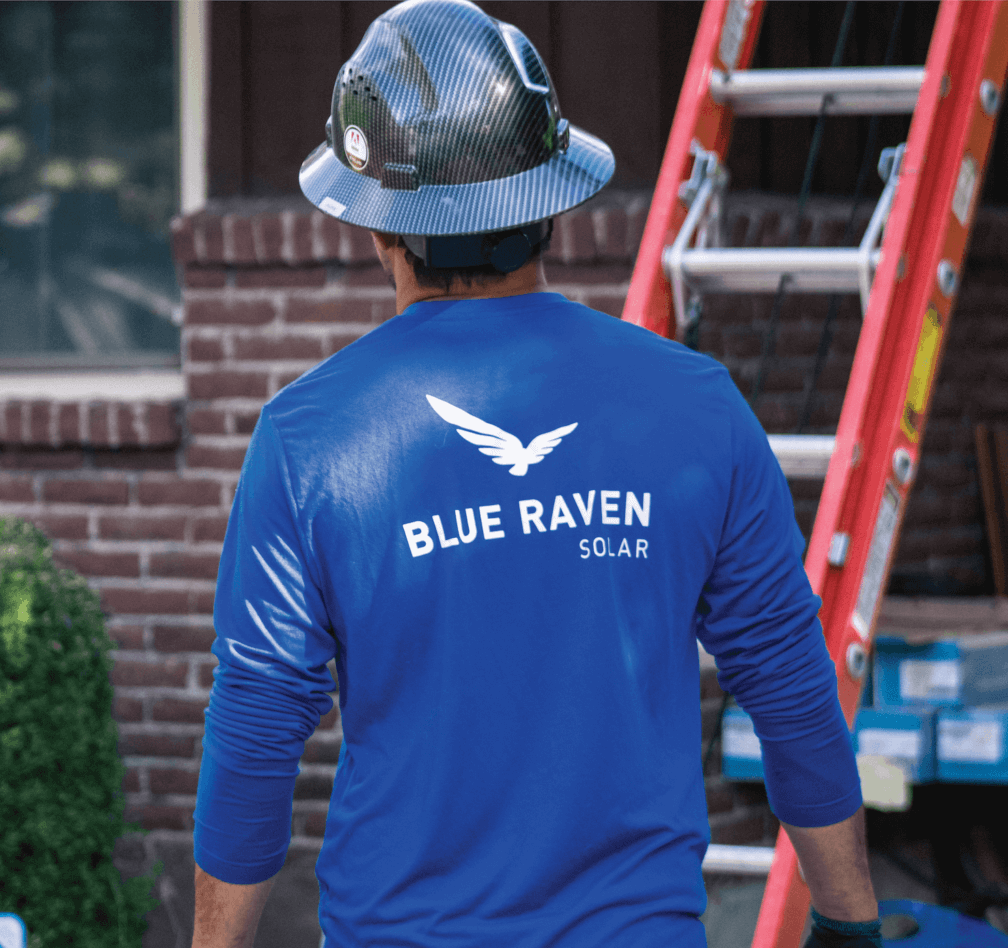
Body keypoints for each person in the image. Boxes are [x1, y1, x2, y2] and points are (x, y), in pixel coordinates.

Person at [190, 2, 880, 947]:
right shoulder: (695, 406)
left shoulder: (311, 440)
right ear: (550, 200)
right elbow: (789, 682)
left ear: (379, 227)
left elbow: (259, 731)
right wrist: (851, 926)